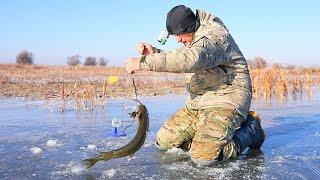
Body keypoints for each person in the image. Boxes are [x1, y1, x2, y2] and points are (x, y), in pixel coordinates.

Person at [126, 5, 265, 166]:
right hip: (199, 103)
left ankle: (251, 130)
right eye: (174, 36)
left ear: (190, 26)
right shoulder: (195, 38)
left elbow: (193, 58)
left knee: (204, 157)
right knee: (164, 142)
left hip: (227, 100)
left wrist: (144, 63)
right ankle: (205, 137)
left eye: (179, 34)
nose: (177, 40)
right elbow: (185, 58)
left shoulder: (216, 37)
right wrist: (155, 53)